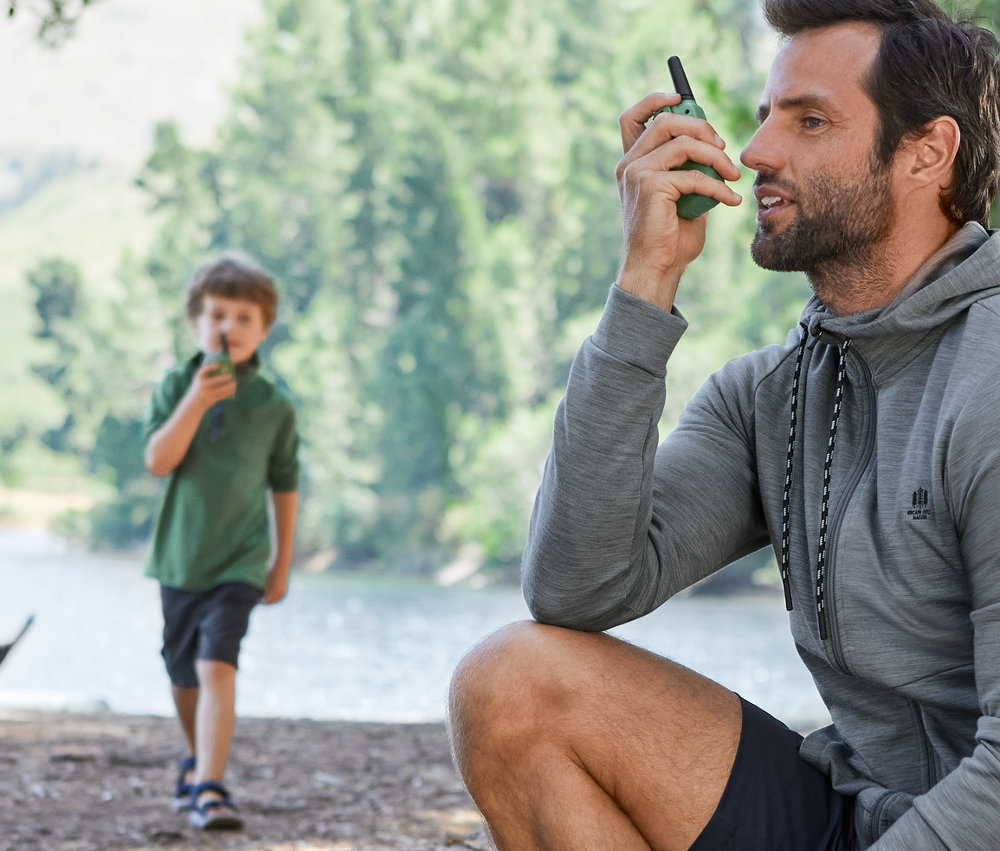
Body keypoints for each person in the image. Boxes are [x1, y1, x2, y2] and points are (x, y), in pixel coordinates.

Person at [448, 0, 1000, 848]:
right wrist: (646, 279)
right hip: (858, 811)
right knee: (512, 681)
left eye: (811, 120)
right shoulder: (774, 395)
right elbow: (575, 586)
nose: (756, 153)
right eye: (763, 117)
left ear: (928, 152)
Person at [143, 252, 299, 831]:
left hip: (241, 562)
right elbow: (159, 461)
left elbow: (285, 484)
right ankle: (194, 760)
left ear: (263, 328)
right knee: (183, 672)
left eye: (242, 318)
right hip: (179, 559)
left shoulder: (274, 406)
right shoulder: (173, 386)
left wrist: (281, 563)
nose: (227, 328)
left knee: (215, 666)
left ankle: (210, 785)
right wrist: (196, 400)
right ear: (196, 322)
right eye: (216, 315)